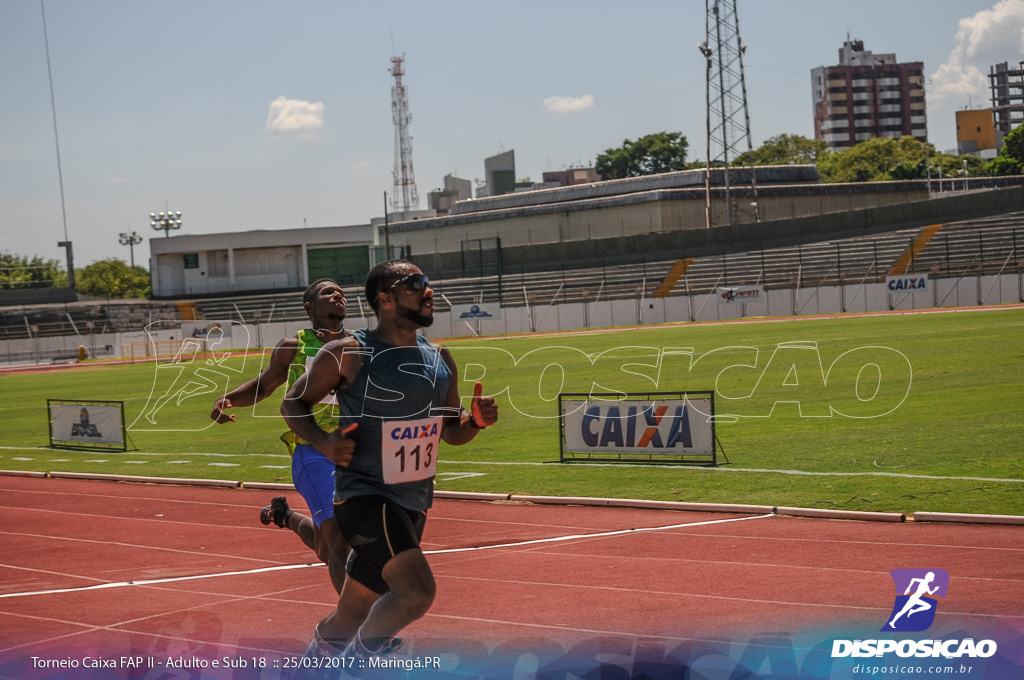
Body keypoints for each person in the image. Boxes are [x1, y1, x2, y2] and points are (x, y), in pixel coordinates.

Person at [281, 260, 498, 661]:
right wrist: (322, 441)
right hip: (364, 498)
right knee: (416, 591)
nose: (428, 291)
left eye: (428, 283)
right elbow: (292, 402)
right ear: (385, 298)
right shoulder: (348, 353)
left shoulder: (441, 358)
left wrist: (476, 422)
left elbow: (452, 432)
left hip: (413, 502)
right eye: (415, 284)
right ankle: (356, 667)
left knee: (351, 613)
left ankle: (310, 667)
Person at [210, 278, 351, 593]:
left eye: (341, 291)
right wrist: (229, 398)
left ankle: (284, 516)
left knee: (329, 548)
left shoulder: (360, 345)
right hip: (313, 451)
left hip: (356, 453)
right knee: (340, 542)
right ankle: (361, 632)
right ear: (309, 306)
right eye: (329, 292)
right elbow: (265, 384)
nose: (338, 294)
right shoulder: (294, 346)